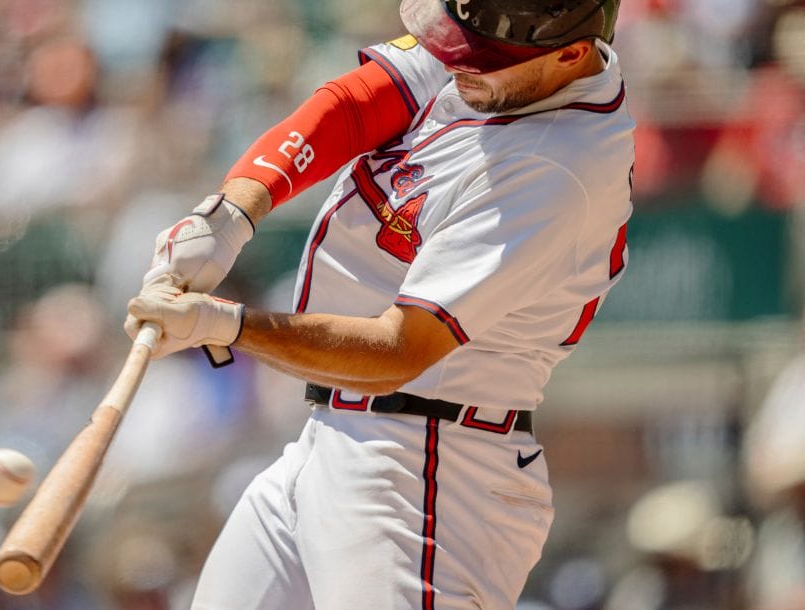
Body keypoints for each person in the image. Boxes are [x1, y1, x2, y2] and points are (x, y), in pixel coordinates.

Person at [125, 0, 633, 607]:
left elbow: (399, 349)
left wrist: (226, 325)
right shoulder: (518, 57)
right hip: (339, 433)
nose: (455, 62)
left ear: (572, 53)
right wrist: (232, 213)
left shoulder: (557, 169)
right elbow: (355, 102)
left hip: (429, 472)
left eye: (480, 57)